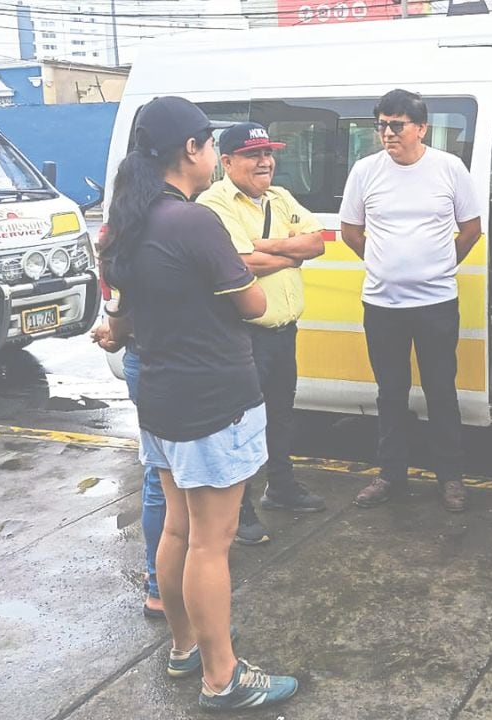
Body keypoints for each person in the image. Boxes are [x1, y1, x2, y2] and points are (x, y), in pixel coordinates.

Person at [100, 95, 296, 709]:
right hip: (213, 399)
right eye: (212, 145)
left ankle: (185, 647)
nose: (213, 155)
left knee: (179, 530)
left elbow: (127, 313)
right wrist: (272, 260)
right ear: (192, 149)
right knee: (213, 541)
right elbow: (254, 304)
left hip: (161, 397)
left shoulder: (132, 220)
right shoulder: (191, 220)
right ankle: (223, 675)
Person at [339, 88, 482, 512]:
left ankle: (451, 478)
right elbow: (351, 231)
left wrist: (439, 265)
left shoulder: (449, 169)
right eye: (381, 124)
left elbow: (470, 228)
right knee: (390, 392)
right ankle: (390, 474)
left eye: (396, 125)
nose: (387, 133)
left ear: (421, 128)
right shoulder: (365, 172)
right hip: (383, 304)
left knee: (441, 390)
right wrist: (383, 263)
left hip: (436, 303)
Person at [197, 122, 328, 542]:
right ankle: (241, 510)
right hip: (243, 334)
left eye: (268, 153)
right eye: (253, 155)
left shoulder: (279, 196)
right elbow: (240, 264)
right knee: (241, 424)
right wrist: (289, 252)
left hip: (283, 331)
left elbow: (317, 242)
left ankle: (281, 486)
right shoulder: (215, 203)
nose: (265, 161)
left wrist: (265, 245)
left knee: (280, 416)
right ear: (228, 161)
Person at [90, 268, 166, 620]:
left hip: (141, 354)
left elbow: (121, 312)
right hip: (178, 363)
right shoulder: (193, 225)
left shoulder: (125, 233)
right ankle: (166, 586)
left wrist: (117, 332)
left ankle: (160, 586)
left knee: (159, 474)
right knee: (174, 481)